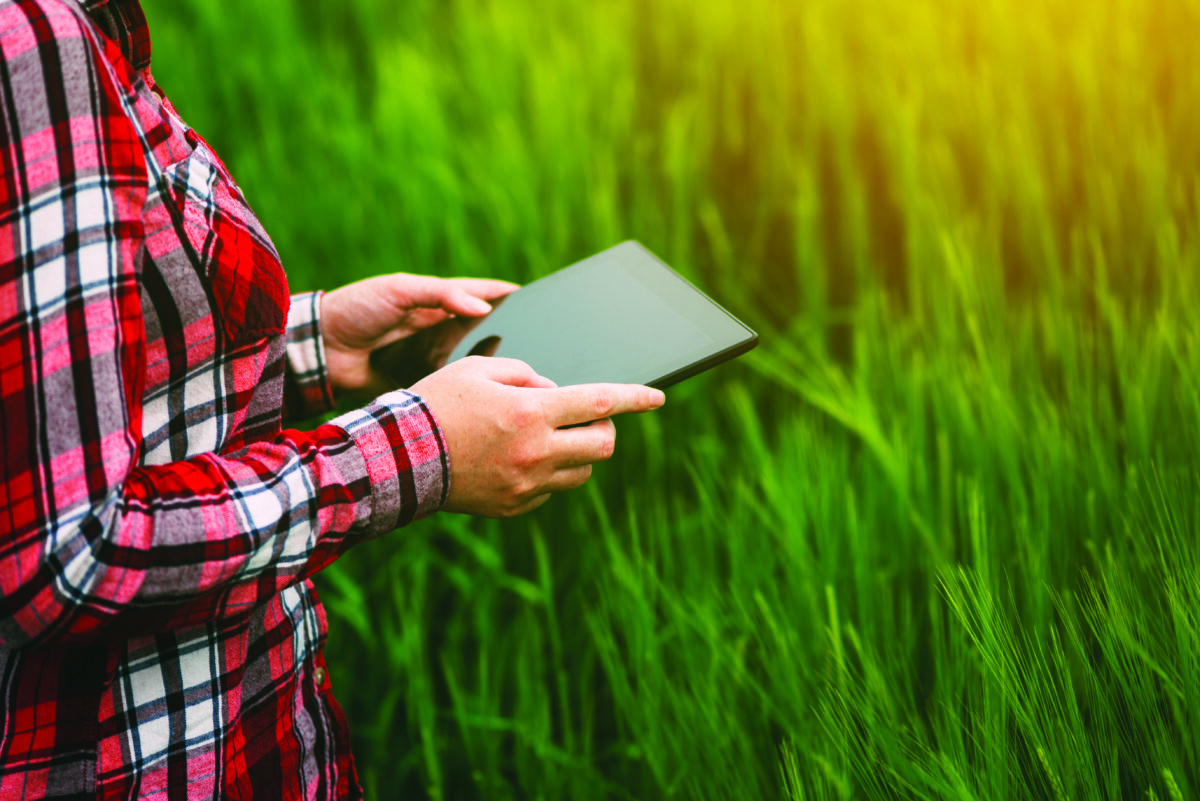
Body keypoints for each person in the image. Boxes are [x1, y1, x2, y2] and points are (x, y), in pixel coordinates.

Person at [0, 0, 664, 797]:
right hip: (146, 764)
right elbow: (72, 550)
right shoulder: (32, 40)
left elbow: (48, 395)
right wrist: (418, 452)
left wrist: (310, 343)